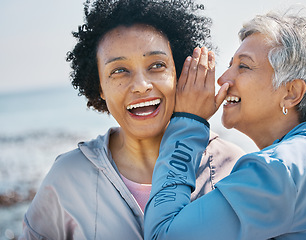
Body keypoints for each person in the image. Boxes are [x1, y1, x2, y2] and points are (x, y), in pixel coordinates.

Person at [19, 0, 245, 239]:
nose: (141, 86)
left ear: (178, 73)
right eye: (119, 70)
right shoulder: (66, 178)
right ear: (100, 87)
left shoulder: (232, 167)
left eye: (157, 65)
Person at [144, 9, 306, 240]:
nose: (223, 78)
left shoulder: (280, 171)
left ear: (291, 93)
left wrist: (187, 122)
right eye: (230, 64)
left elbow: (162, 234)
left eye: (244, 66)